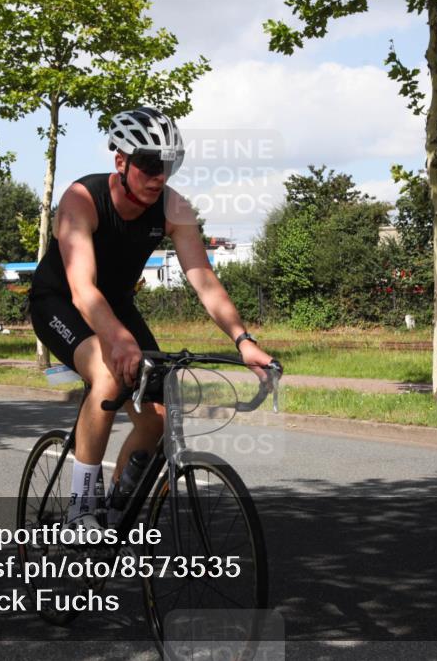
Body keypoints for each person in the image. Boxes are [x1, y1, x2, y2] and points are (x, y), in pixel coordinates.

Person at [29, 106, 275, 531]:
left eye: (168, 165)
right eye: (148, 164)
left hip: (117, 306)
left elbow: (204, 281)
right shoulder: (81, 200)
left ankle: (114, 514)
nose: (159, 176)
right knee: (108, 376)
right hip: (61, 302)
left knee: (158, 416)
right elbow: (83, 288)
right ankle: (80, 510)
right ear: (120, 161)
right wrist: (118, 340)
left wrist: (243, 339)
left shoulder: (173, 207)